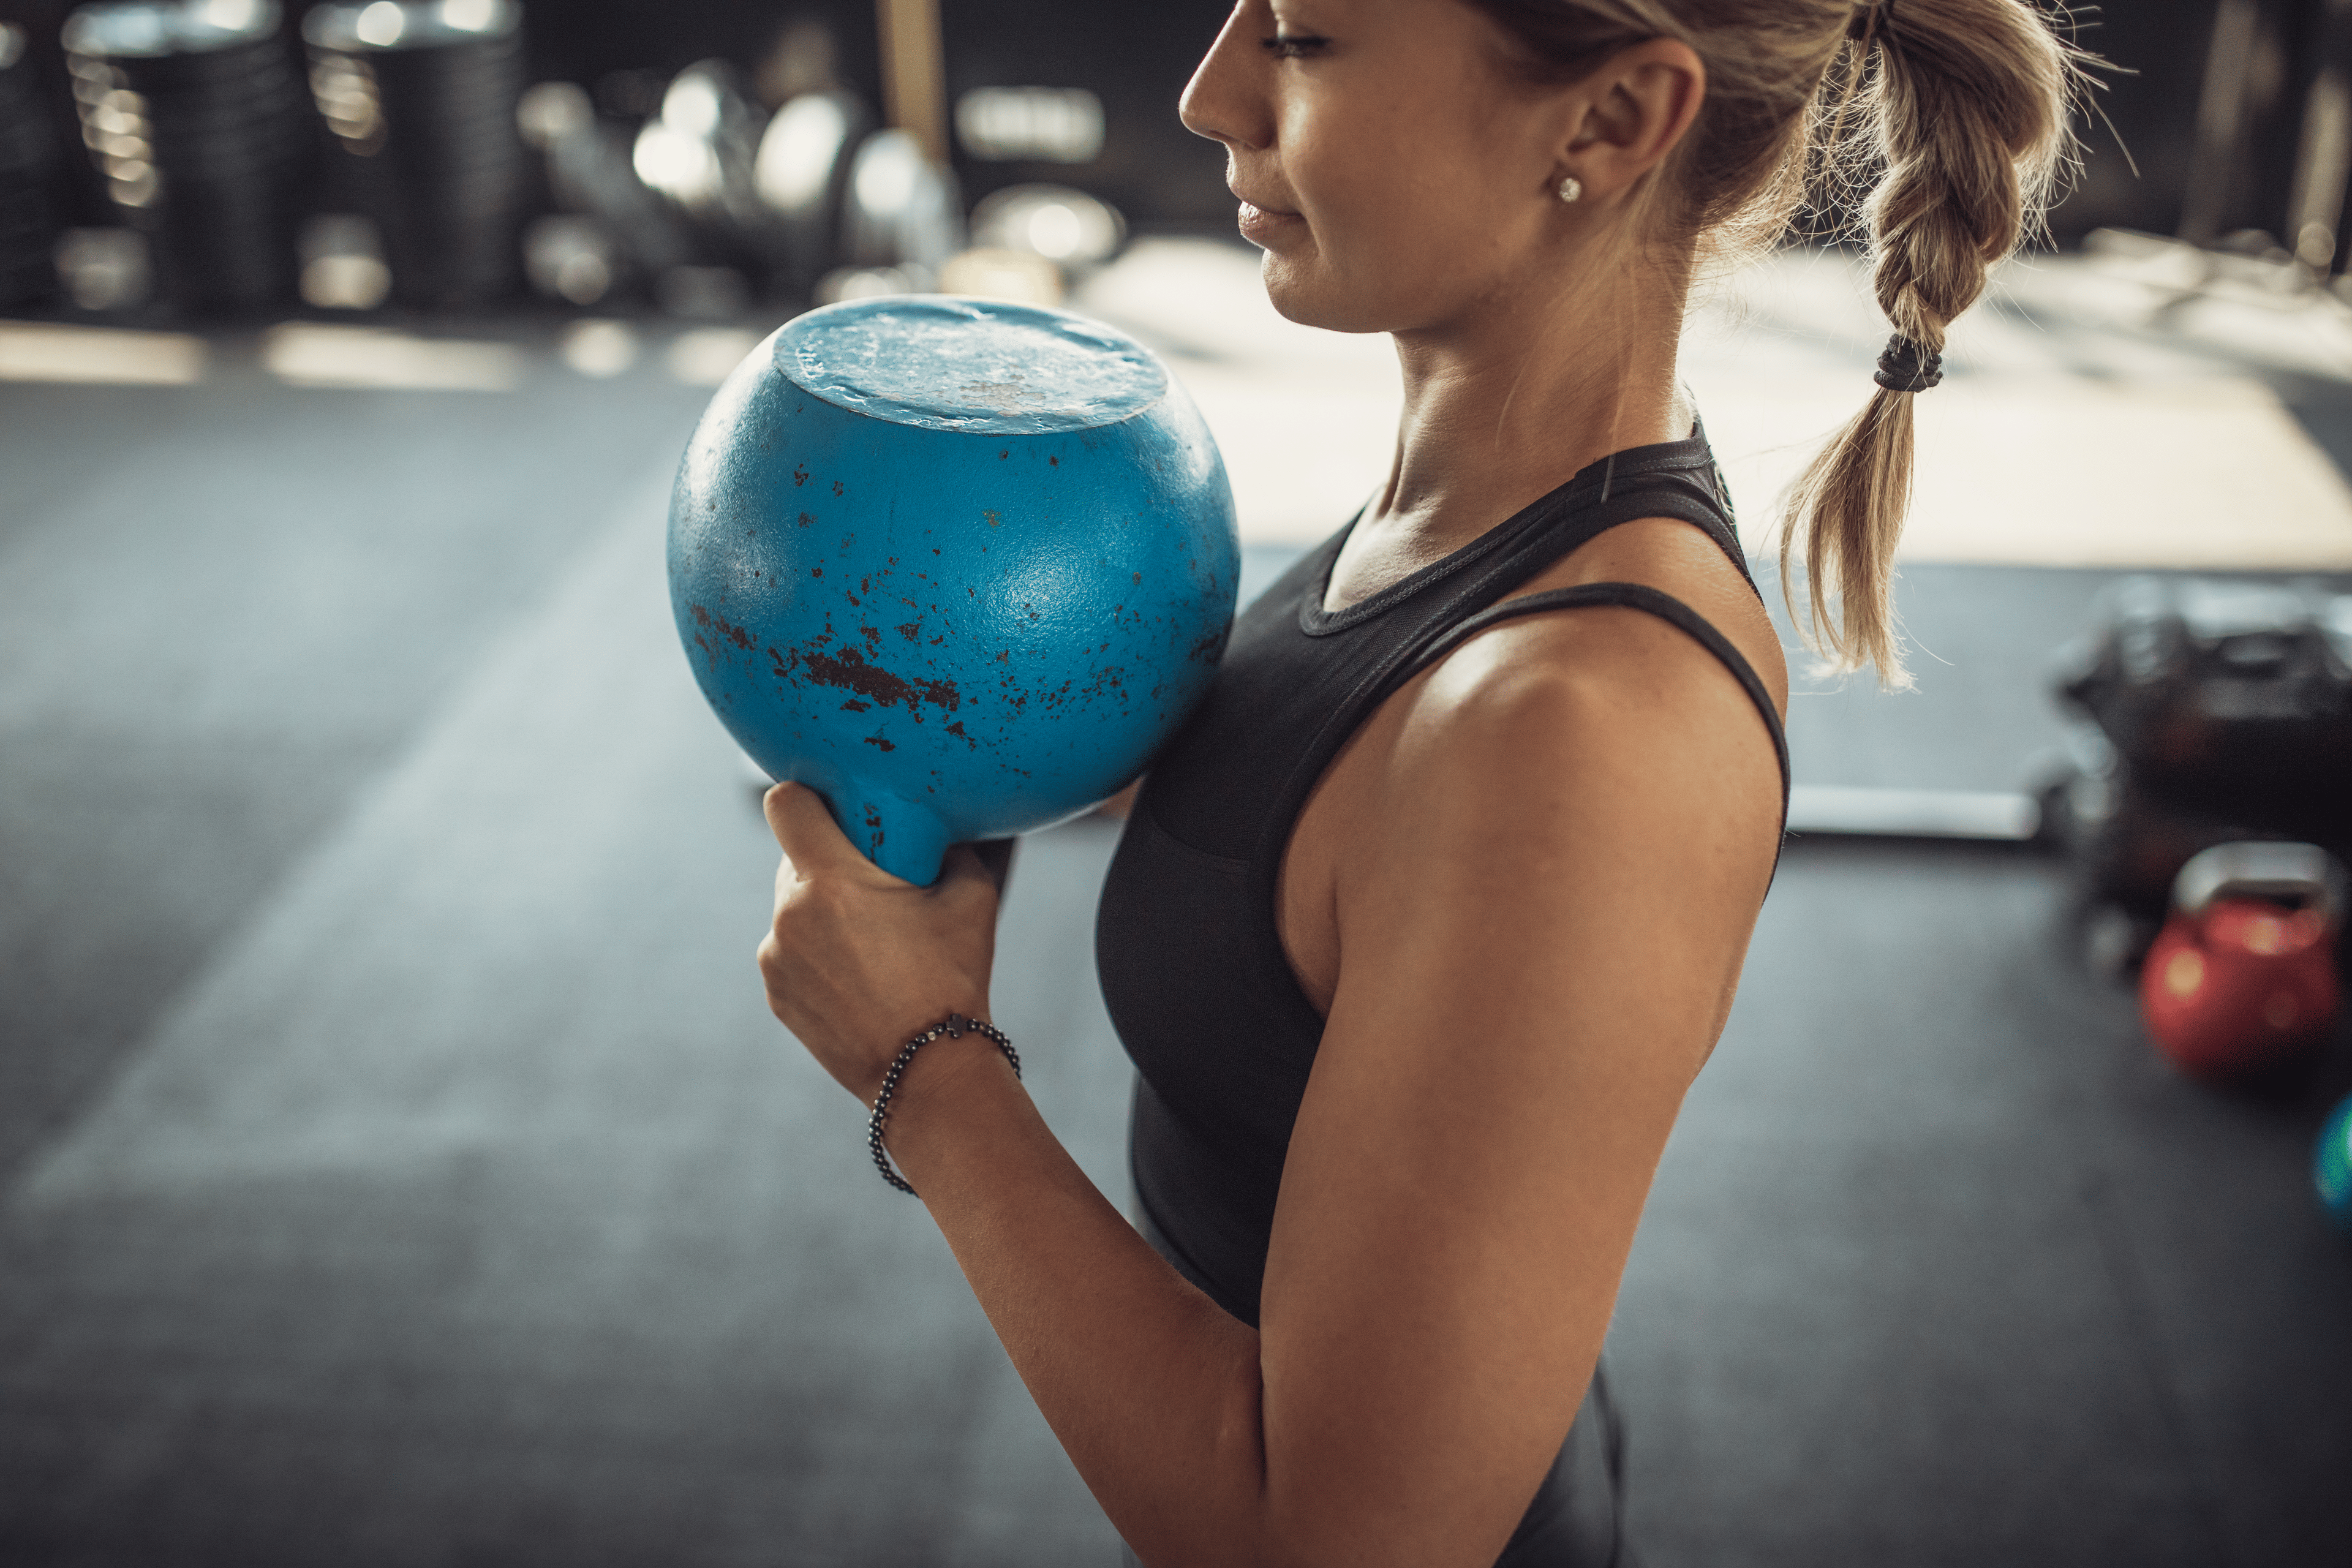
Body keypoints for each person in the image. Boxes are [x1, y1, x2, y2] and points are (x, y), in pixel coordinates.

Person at [754, 1, 2080, 1562]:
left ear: (1608, 122)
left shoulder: (1579, 730)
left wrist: (930, 1065)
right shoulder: (1464, 506)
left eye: (1305, 37)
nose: (1208, 94)